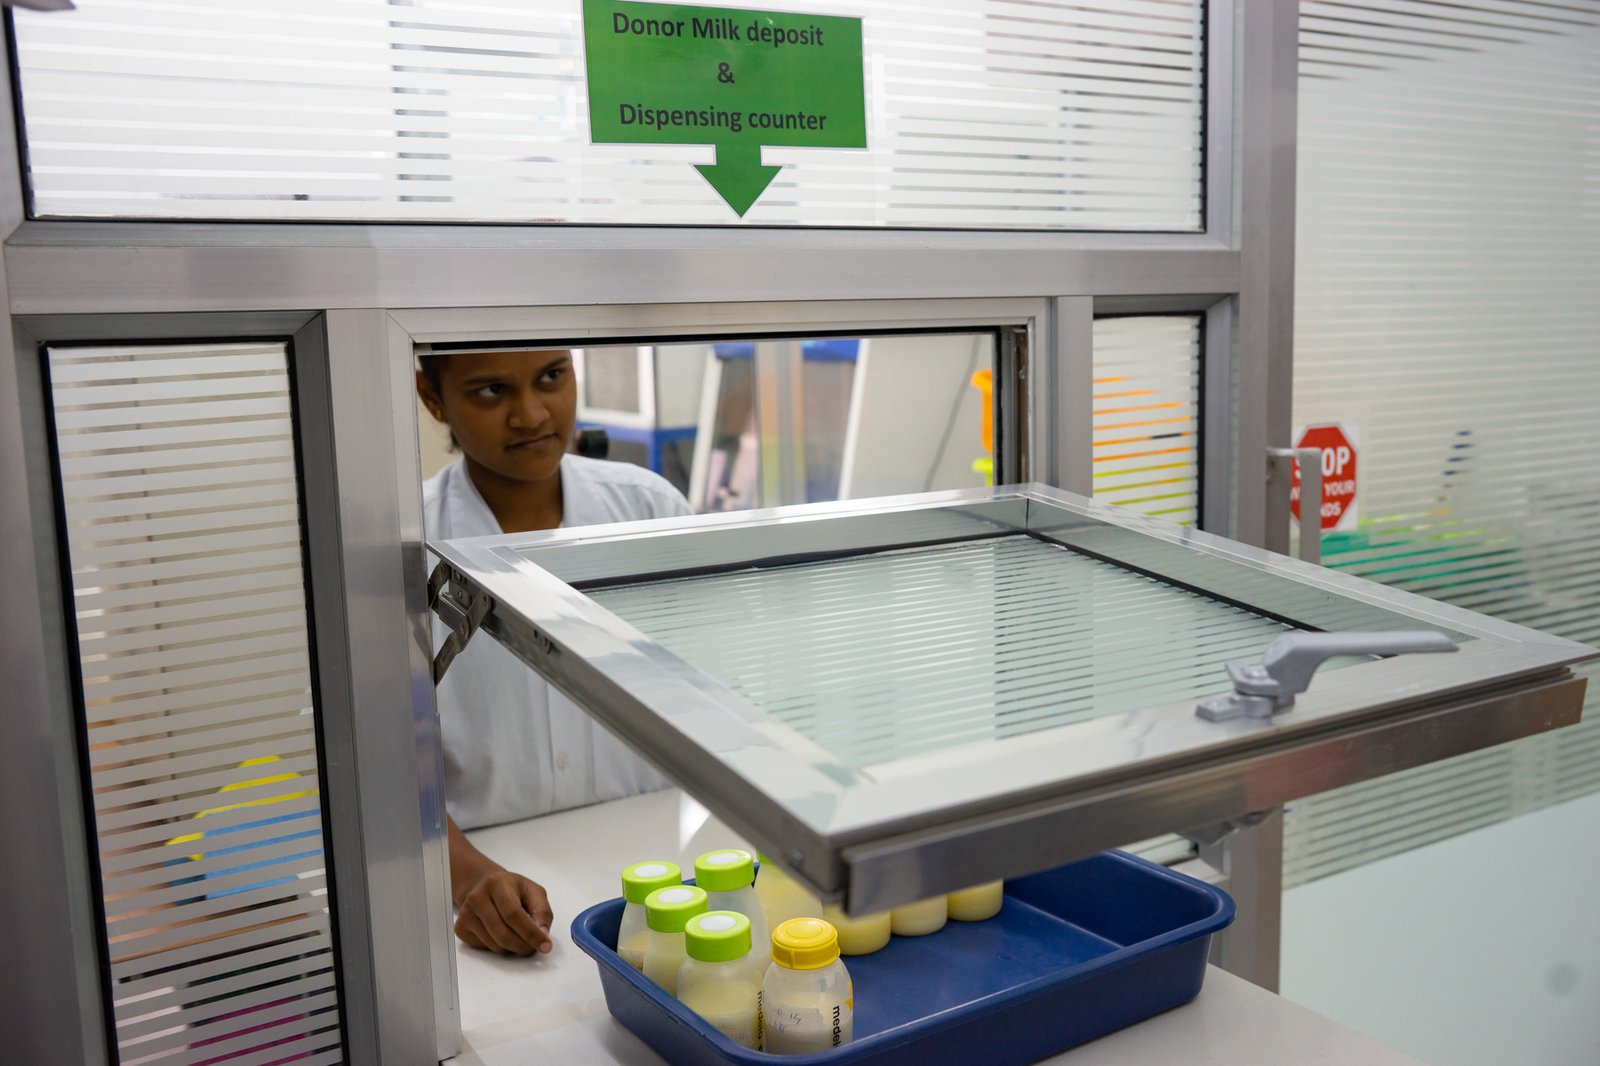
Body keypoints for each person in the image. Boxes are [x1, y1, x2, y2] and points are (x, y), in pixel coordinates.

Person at [417, 347, 691, 957]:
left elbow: (718, 687)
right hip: (485, 873)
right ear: (432, 398)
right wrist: (468, 879)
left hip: (659, 862)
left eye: (550, 378)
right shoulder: (404, 543)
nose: (531, 414)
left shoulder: (650, 510)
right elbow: (370, 758)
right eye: (491, 391)